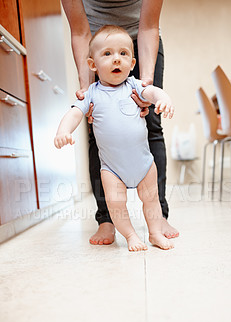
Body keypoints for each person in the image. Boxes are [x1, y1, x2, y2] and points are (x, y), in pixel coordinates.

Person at [61, 0, 179, 245]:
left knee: (153, 132)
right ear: (92, 64)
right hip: (111, 169)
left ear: (132, 64)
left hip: (144, 165)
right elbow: (75, 111)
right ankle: (115, 225)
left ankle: (156, 228)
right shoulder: (93, 92)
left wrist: (160, 96)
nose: (117, 60)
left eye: (123, 56)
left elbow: (151, 91)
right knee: (116, 202)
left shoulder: (134, 84)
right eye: (108, 56)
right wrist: (65, 127)